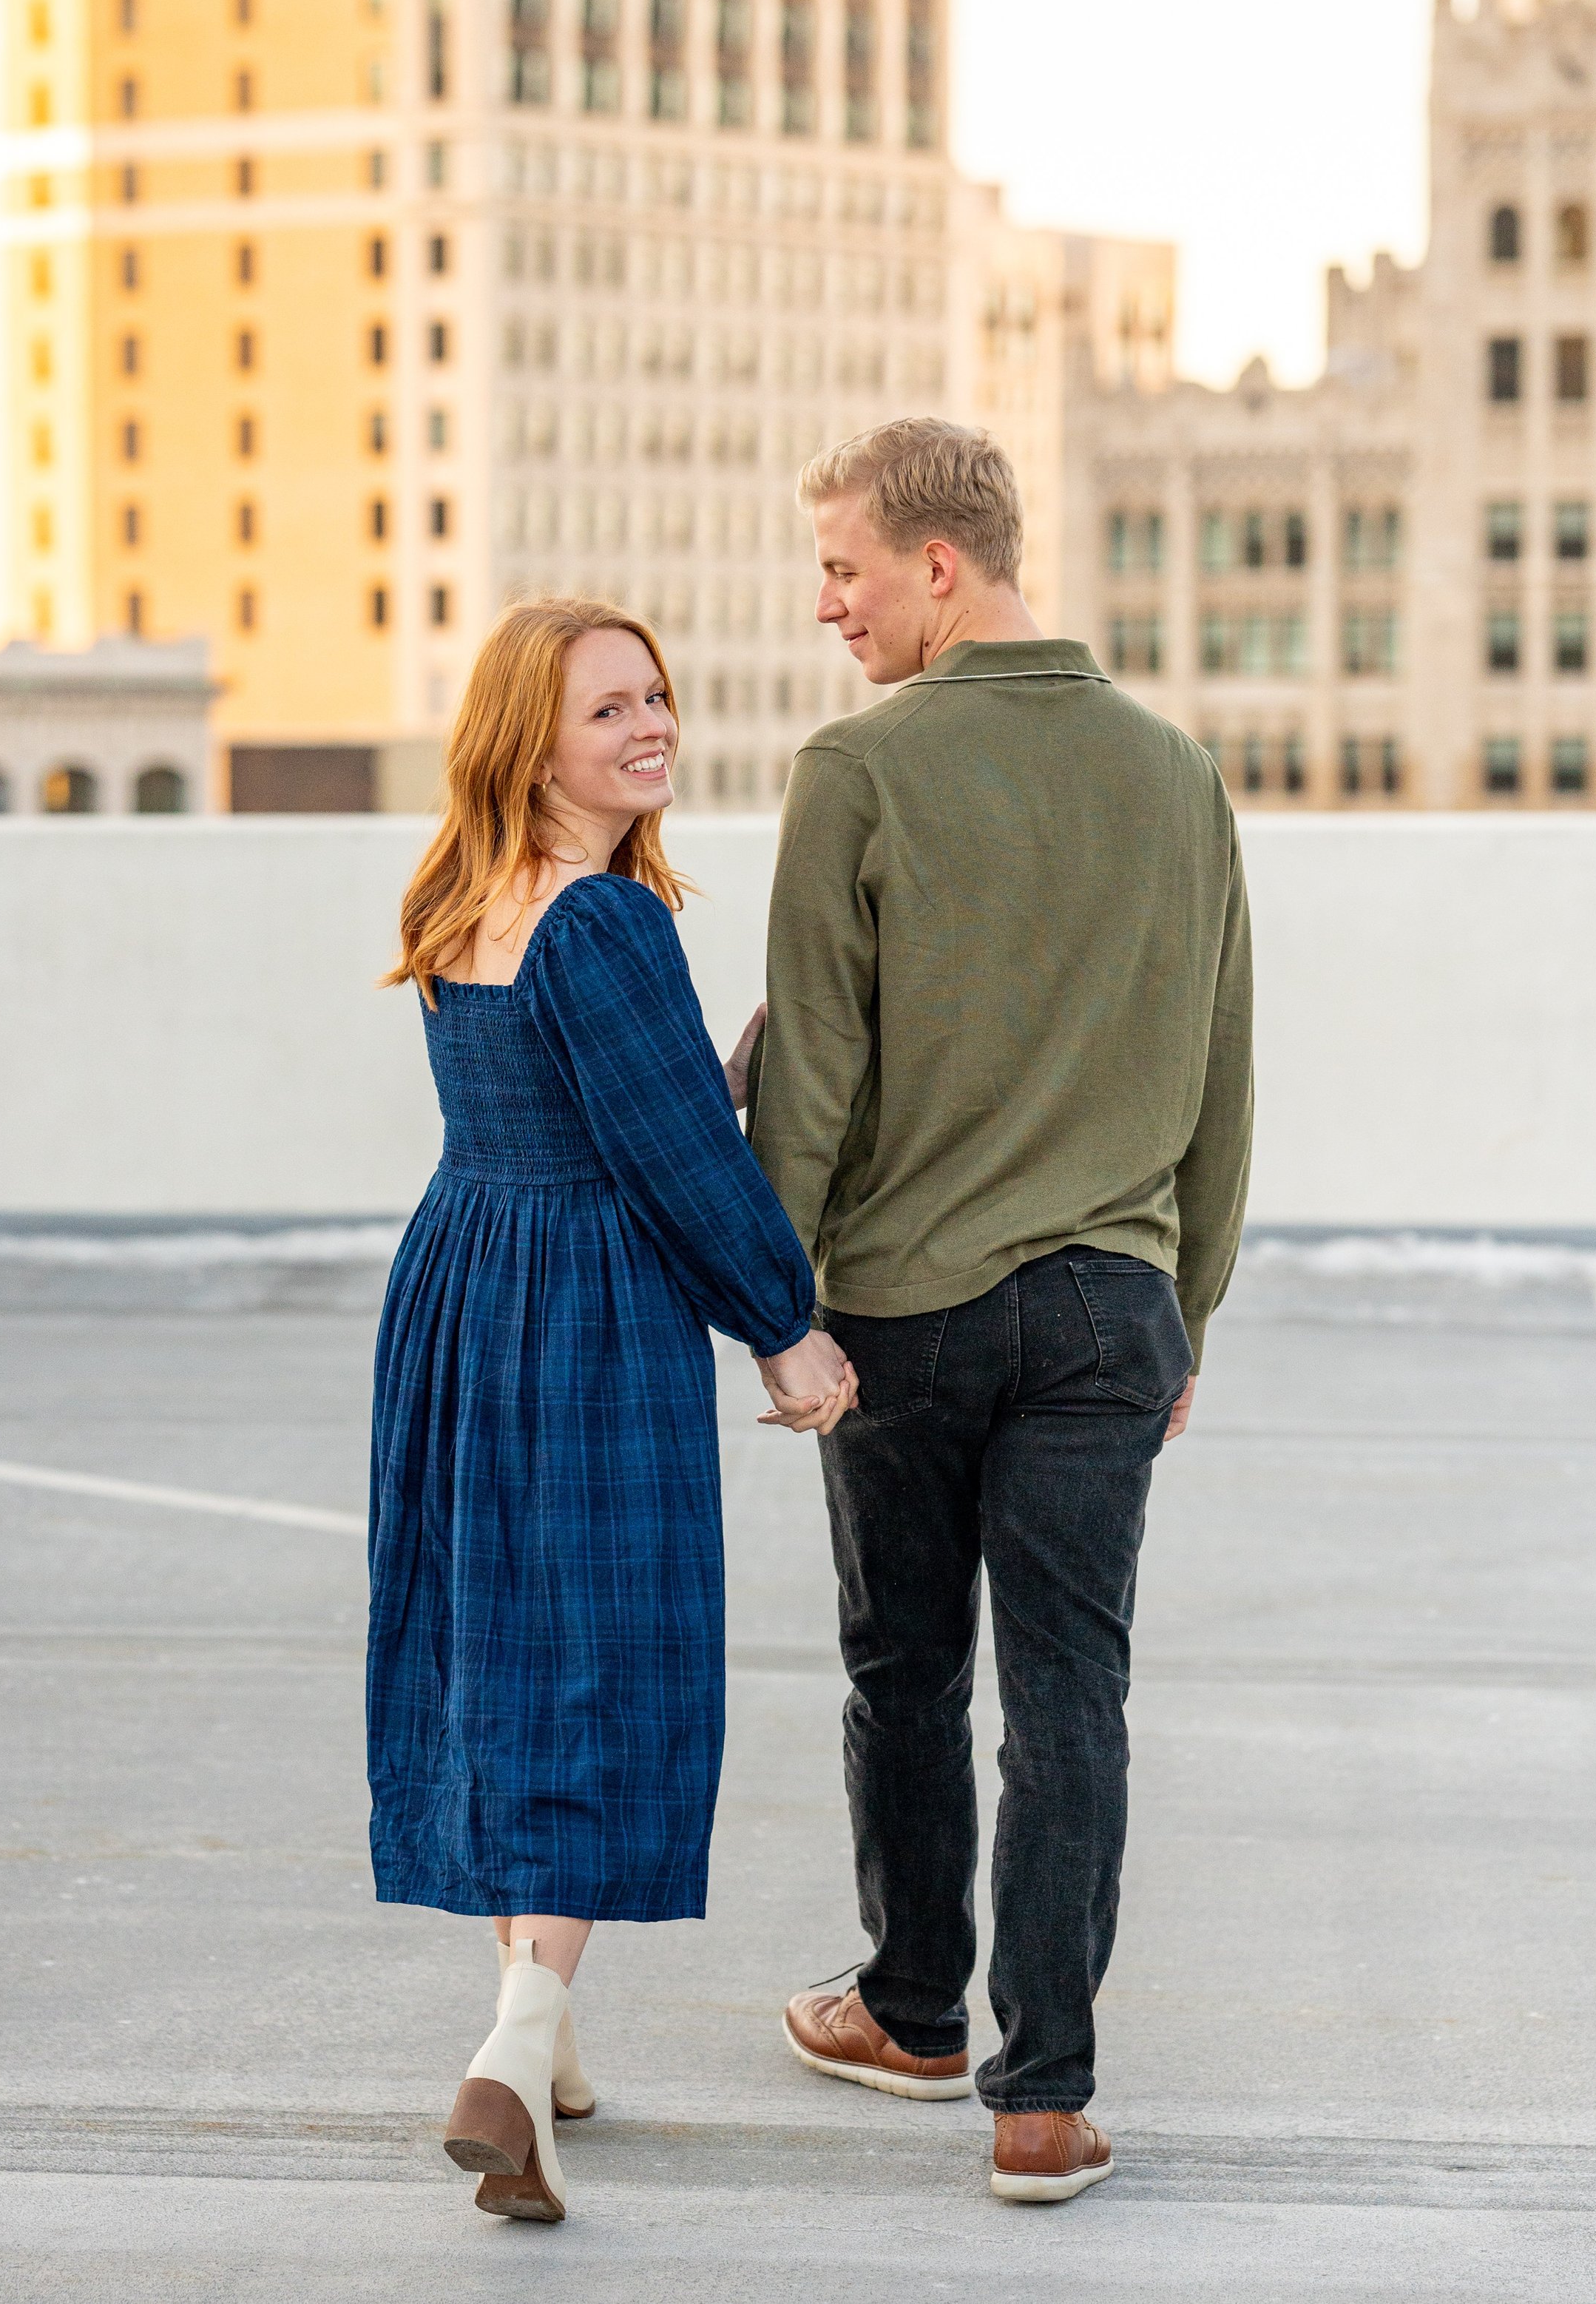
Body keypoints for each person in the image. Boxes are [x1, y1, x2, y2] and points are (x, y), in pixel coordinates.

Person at [750, 419, 1253, 2204]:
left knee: (902, 1667)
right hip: (1113, 1308)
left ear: (937, 567)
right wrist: (1179, 1304)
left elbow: (808, 1075)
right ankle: (1041, 2100)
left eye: (844, 569)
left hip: (904, 1312)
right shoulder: (1177, 771)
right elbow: (1219, 1072)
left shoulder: (856, 770)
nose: (827, 606)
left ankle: (909, 2012)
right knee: (1070, 1698)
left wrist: (776, 1305)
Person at [369, 595, 856, 2228]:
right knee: (601, 1659)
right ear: (532, 738)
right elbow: (667, 1169)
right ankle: (509, 2052)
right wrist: (782, 1329)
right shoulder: (605, 924)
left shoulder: (456, 897)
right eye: (605, 711)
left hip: (462, 1281)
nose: (647, 726)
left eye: (655, 695)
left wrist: (696, 1069)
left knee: (498, 1640)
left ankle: (547, 2026)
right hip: (584, 1310)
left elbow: (573, 1100)